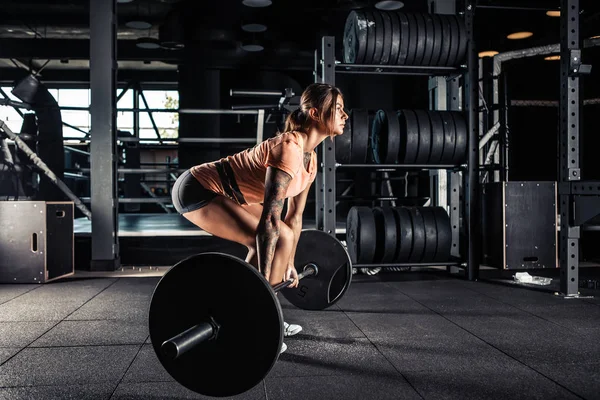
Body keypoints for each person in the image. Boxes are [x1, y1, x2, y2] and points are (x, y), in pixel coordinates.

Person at [170, 83, 349, 353]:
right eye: (338, 109)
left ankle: (266, 313)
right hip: (197, 188)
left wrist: (289, 263)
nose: (345, 115)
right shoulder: (289, 148)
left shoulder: (311, 160)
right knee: (271, 238)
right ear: (314, 113)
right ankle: (260, 318)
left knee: (285, 237)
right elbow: (269, 222)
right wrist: (263, 290)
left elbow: (295, 217)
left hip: (232, 195)